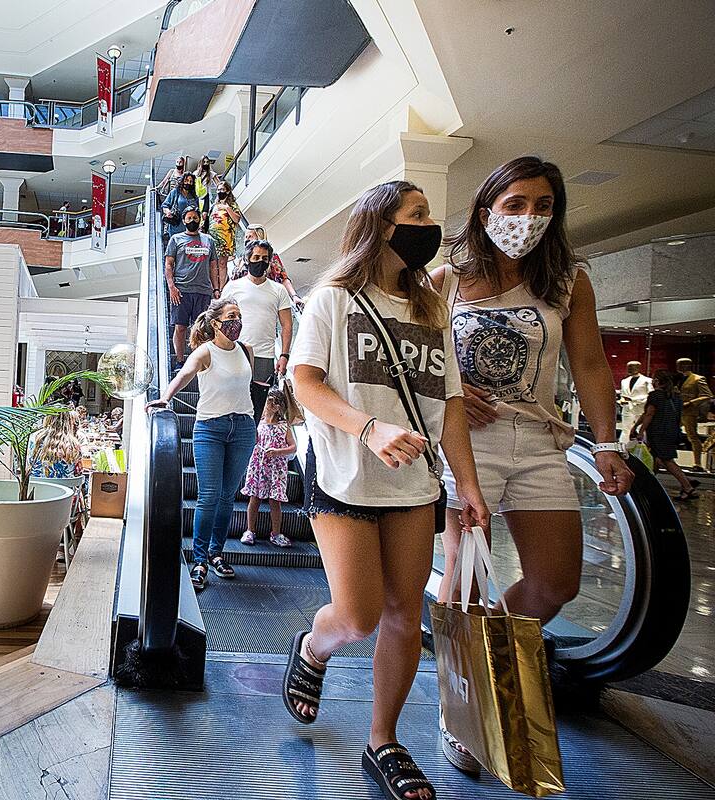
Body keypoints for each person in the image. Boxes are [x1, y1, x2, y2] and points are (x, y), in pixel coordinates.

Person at [288, 180, 489, 800]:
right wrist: (368, 429)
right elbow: (306, 384)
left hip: (414, 485)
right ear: (380, 224)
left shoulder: (431, 310)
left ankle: (385, 742)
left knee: (406, 615)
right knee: (357, 615)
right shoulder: (333, 299)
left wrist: (469, 486)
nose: (429, 225)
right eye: (417, 214)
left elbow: (450, 403)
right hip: (345, 476)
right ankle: (313, 648)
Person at [433, 156, 633, 775]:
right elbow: (416, 363)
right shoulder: (445, 280)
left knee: (555, 582)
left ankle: (478, 654)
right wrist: (454, 396)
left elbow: (592, 364)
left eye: (543, 206)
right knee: (463, 580)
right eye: (515, 204)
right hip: (469, 445)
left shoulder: (568, 280)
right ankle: (459, 715)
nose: (528, 218)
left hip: (541, 441)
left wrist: (608, 443)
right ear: (486, 208)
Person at [149, 298, 255, 592]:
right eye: (232, 316)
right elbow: (184, 374)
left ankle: (216, 553)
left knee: (227, 496)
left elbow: (246, 388)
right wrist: (166, 397)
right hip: (210, 428)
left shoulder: (247, 350)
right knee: (208, 495)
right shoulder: (205, 352)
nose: (237, 322)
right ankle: (199, 561)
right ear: (216, 322)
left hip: (244, 427)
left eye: (239, 316)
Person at [223, 238, 293, 420]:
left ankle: (250, 446)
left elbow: (287, 324)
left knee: (257, 409)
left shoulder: (278, 290)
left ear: (269, 261)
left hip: (265, 356)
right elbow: (218, 318)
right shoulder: (232, 287)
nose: (260, 261)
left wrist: (284, 355)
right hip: (235, 352)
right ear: (247, 259)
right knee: (230, 403)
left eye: (264, 258)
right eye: (256, 257)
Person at [240, 387, 297, 547]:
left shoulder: (285, 426)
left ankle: (276, 533)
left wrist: (278, 451)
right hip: (258, 466)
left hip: (276, 469)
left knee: (275, 501)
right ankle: (250, 530)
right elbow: (252, 441)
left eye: (270, 403)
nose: (267, 406)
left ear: (278, 406)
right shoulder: (258, 423)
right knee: (254, 498)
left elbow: (293, 447)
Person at [165, 206, 217, 371]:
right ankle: (180, 362)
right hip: (181, 291)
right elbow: (168, 265)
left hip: (203, 291)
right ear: (183, 220)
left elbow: (214, 266)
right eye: (189, 218)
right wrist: (171, 287)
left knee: (201, 330)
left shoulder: (209, 240)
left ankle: (198, 362)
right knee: (180, 328)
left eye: (195, 217)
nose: (192, 220)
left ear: (199, 219)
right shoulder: (176, 239)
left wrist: (216, 289)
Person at [633, 369, 697, 500]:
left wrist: (639, 430)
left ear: (657, 381)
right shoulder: (676, 396)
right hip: (671, 431)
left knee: (666, 460)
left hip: (658, 432)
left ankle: (687, 486)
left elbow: (649, 414)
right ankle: (649, 486)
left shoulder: (655, 395)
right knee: (658, 459)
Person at [230, 225, 304, 309]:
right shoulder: (241, 261)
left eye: (250, 236)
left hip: (266, 301)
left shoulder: (270, 257)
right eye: (246, 236)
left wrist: (294, 296)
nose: (247, 239)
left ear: (259, 237)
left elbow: (283, 278)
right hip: (245, 303)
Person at [676, 357, 711, 470]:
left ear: (687, 365)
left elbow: (707, 395)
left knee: (692, 436)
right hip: (677, 411)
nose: (678, 367)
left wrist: (691, 403)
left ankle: (697, 463)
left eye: (680, 365)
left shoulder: (697, 379)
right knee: (669, 434)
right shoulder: (679, 378)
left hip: (689, 412)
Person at [207, 181, 242, 294]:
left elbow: (237, 219)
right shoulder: (214, 205)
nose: (219, 192)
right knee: (213, 264)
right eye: (218, 190)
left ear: (227, 191)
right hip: (213, 238)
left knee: (222, 264)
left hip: (226, 239)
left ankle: (222, 288)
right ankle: (214, 287)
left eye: (222, 190)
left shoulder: (232, 205)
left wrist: (227, 208)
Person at [28, 412, 84, 478]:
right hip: (64, 487)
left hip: (38, 486)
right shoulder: (74, 444)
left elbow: (29, 464)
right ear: (68, 422)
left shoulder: (35, 438)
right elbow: (78, 471)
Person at [161, 173, 199, 246]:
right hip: (176, 226)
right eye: (186, 180)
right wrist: (168, 212)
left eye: (191, 181)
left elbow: (198, 210)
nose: (188, 183)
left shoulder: (194, 196)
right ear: (182, 181)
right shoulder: (175, 192)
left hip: (191, 227)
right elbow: (165, 205)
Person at [618, 360, 650, 443]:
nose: (630, 369)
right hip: (627, 408)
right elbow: (623, 394)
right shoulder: (624, 381)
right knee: (626, 429)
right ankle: (623, 447)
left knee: (642, 429)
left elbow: (651, 395)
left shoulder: (647, 381)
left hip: (641, 408)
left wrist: (634, 400)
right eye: (629, 367)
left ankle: (644, 447)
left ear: (639, 368)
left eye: (632, 367)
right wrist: (622, 400)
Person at [194, 155, 221, 229]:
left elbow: (219, 184)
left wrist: (218, 197)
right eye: (204, 162)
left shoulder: (211, 174)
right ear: (201, 163)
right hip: (197, 196)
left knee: (205, 214)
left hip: (206, 196)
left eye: (207, 162)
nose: (205, 164)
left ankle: (202, 228)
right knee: (196, 213)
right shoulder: (195, 173)